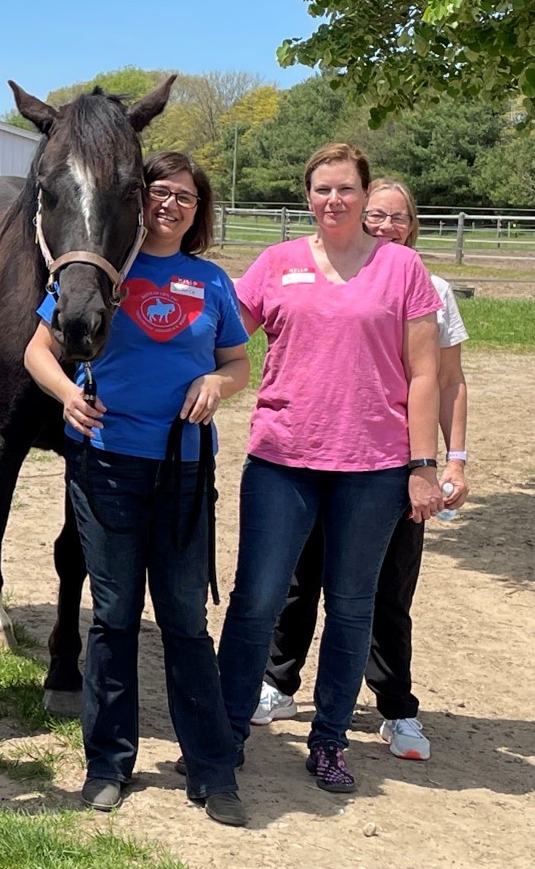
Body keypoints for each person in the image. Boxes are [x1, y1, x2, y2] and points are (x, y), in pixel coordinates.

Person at [23, 152, 250, 826]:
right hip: (107, 467)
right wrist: (67, 395)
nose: (171, 204)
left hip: (184, 471)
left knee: (185, 622)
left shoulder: (211, 282)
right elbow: (40, 348)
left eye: (184, 195)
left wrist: (218, 382)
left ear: (196, 208)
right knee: (115, 619)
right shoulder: (99, 271)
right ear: (138, 201)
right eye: (159, 192)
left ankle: (212, 766)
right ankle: (107, 763)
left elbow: (237, 362)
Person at [217, 143, 442, 795]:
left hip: (373, 468)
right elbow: (221, 335)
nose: (334, 200)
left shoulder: (402, 269)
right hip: (282, 459)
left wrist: (423, 464)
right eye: (322, 189)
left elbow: (425, 372)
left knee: (350, 606)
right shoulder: (276, 263)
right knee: (256, 597)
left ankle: (328, 742)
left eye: (345, 188)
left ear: (363, 195)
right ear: (307, 196)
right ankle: (227, 731)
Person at [257, 177, 469, 763]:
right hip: (322, 452)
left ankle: (396, 705)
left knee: (387, 590)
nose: (385, 225)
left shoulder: (430, 287)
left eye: (398, 217)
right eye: (375, 213)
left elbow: (447, 381)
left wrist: (452, 460)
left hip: (395, 462)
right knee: (304, 577)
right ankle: (279, 683)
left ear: (414, 224)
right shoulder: (322, 269)